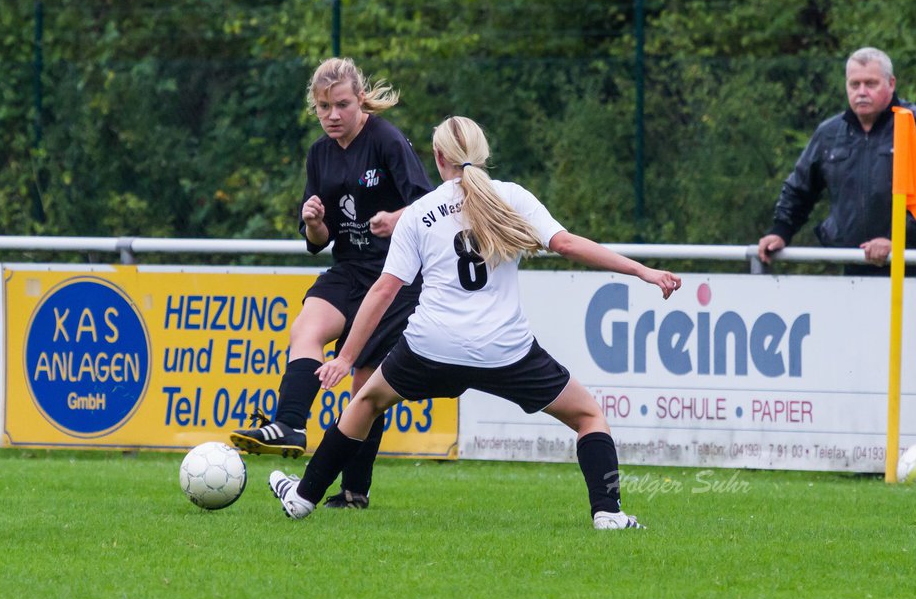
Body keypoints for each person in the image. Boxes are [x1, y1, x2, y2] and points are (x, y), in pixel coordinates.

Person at [267, 115, 681, 529]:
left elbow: (383, 292)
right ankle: (608, 512)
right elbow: (568, 244)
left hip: (431, 347)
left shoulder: (420, 211)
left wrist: (346, 358)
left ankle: (303, 497)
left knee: (365, 404)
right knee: (589, 416)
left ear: (438, 156)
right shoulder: (512, 198)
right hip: (504, 350)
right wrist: (643, 272)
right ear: (483, 154)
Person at [230, 57, 433, 509]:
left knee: (365, 387)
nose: (332, 115)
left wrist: (394, 218)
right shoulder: (319, 153)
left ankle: (354, 491)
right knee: (306, 328)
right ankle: (290, 425)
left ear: (360, 100)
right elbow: (318, 242)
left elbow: (430, 204)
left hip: (395, 275)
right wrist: (313, 221)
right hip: (349, 268)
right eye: (323, 107)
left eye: (341, 104)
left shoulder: (386, 140)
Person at [757, 47, 916, 275]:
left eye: (871, 83)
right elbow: (799, 187)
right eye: (854, 84)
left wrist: (894, 241)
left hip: (914, 267)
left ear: (891, 83)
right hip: (852, 266)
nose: (862, 92)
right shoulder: (829, 132)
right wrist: (781, 231)